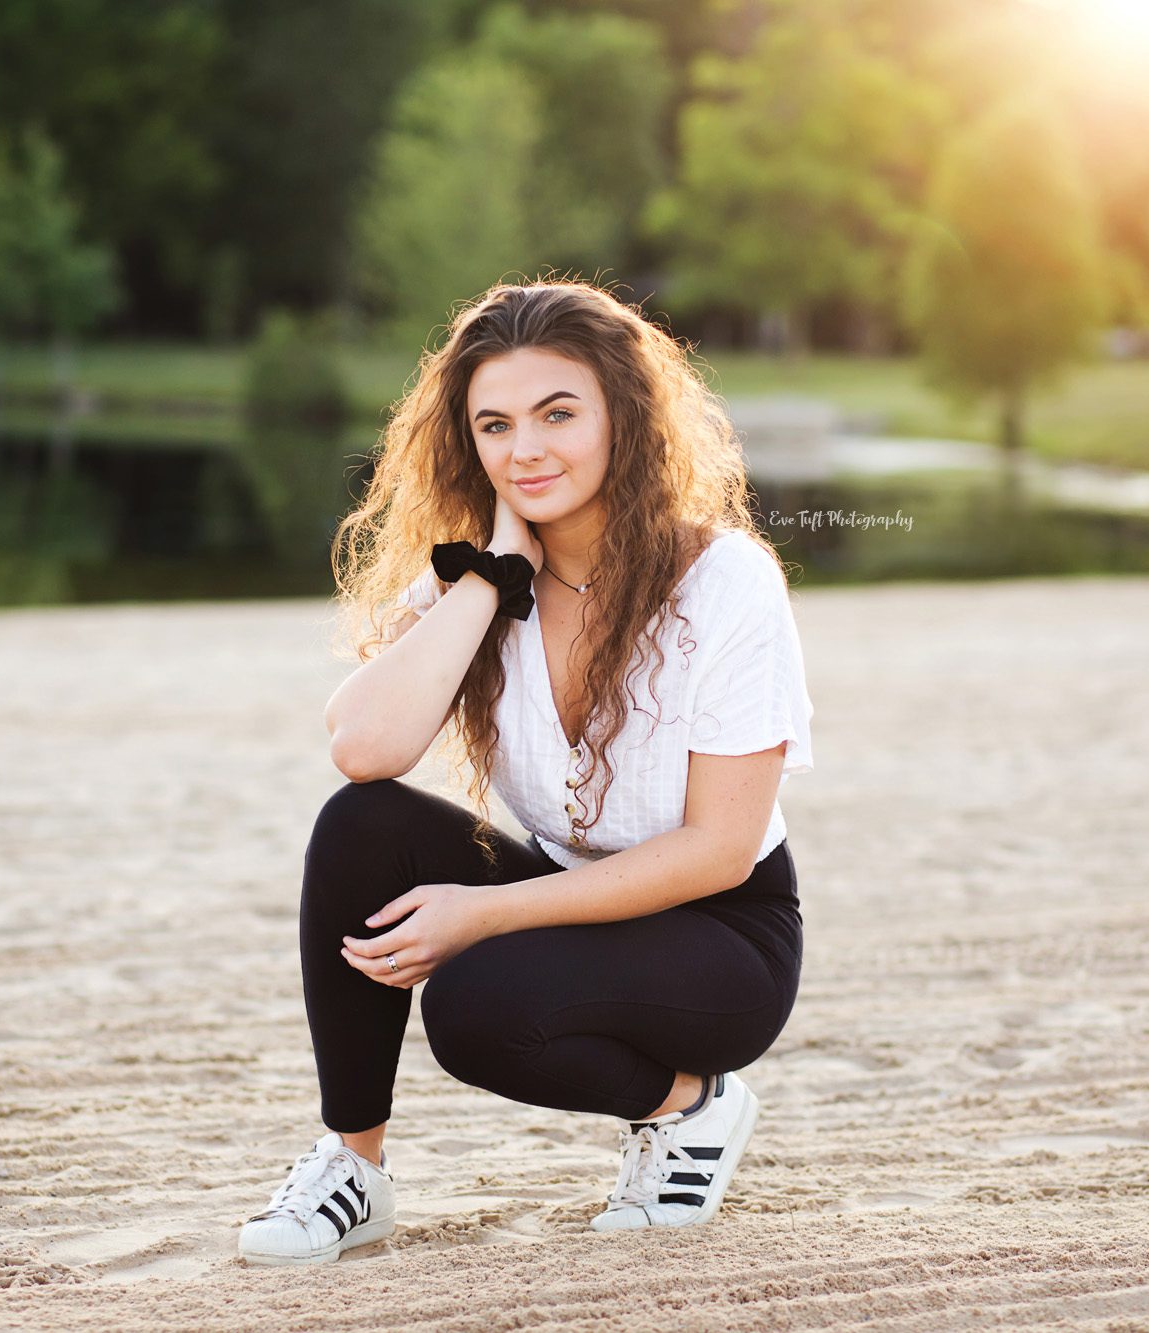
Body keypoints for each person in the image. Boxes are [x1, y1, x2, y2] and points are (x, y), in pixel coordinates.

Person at [239, 278, 815, 1266]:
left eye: (557, 413)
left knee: (474, 1005)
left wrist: (484, 913)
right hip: (563, 884)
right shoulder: (480, 574)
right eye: (494, 425)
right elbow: (363, 747)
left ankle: (693, 1107)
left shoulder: (723, 583)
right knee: (360, 825)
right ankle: (352, 1166)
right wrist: (489, 578)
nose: (527, 449)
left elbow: (718, 849)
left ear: (621, 419)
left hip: (719, 933)